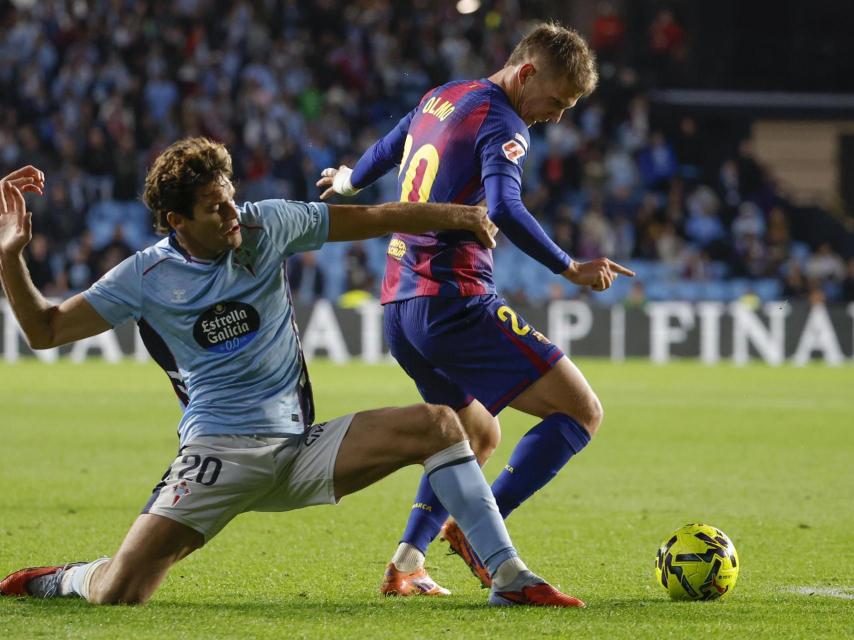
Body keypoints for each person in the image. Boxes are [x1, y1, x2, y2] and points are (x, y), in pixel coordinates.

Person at [0, 140, 584, 608]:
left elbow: (377, 216)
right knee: (119, 593)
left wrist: (457, 215)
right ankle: (63, 578)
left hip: (304, 447)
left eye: (231, 198)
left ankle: (508, 576)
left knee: (440, 424)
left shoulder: (267, 224)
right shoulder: (144, 278)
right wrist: (9, 258)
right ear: (176, 220)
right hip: (218, 455)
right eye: (215, 208)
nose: (233, 214)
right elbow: (45, 330)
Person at [317, 22, 634, 596]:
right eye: (557, 102)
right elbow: (506, 208)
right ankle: (479, 531)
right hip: (454, 303)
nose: (555, 117)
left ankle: (408, 564)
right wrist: (571, 267)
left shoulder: (443, 95)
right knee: (581, 411)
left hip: (401, 307)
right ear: (528, 71)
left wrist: (346, 182)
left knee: (471, 436)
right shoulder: (505, 121)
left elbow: (388, 149)